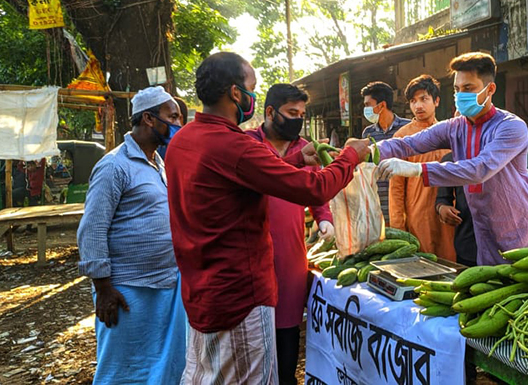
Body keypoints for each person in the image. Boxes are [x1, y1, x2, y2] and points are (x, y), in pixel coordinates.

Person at [165, 52, 369, 384]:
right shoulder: (237, 146)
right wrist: (350, 157)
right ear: (235, 93)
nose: (253, 96)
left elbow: (240, 181)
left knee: (209, 375)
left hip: (202, 289)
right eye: (251, 87)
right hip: (240, 295)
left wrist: (293, 161)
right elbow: (314, 189)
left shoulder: (183, 141)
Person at [376, 52, 528, 265]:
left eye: (468, 88)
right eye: (457, 89)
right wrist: (366, 151)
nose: (461, 95)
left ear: (490, 90)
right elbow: (408, 143)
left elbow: (480, 169)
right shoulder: (454, 127)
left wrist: (418, 170)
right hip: (483, 235)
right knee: (489, 290)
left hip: (521, 231)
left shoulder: (510, 126)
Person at [77, 86, 186, 385]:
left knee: (163, 366)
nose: (178, 124)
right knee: (124, 369)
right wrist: (103, 288)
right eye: (172, 116)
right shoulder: (114, 166)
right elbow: (93, 228)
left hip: (164, 287)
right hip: (126, 291)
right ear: (149, 119)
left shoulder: (158, 164)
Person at [246, 83, 335, 385]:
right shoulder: (248, 145)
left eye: (302, 114)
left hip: (291, 255)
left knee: (287, 334)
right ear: (270, 112)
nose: (298, 119)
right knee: (255, 336)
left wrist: (323, 218)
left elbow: (315, 190)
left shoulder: (304, 147)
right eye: (291, 113)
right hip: (252, 255)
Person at [388, 75, 455, 260]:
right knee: (421, 267)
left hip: (447, 215)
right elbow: (396, 188)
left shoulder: (449, 133)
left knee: (450, 265)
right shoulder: (402, 137)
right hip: (418, 217)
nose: (418, 106)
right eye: (413, 101)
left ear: (436, 101)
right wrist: (398, 227)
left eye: (424, 99)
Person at [361, 81, 409, 225]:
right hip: (378, 200)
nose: (366, 109)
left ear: (381, 105)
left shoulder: (407, 128)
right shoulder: (368, 134)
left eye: (368, 105)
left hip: (404, 200)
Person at [435, 152, 477, 266]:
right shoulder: (450, 159)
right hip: (468, 243)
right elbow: (442, 198)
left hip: (503, 243)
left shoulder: (502, 152)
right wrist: (443, 209)